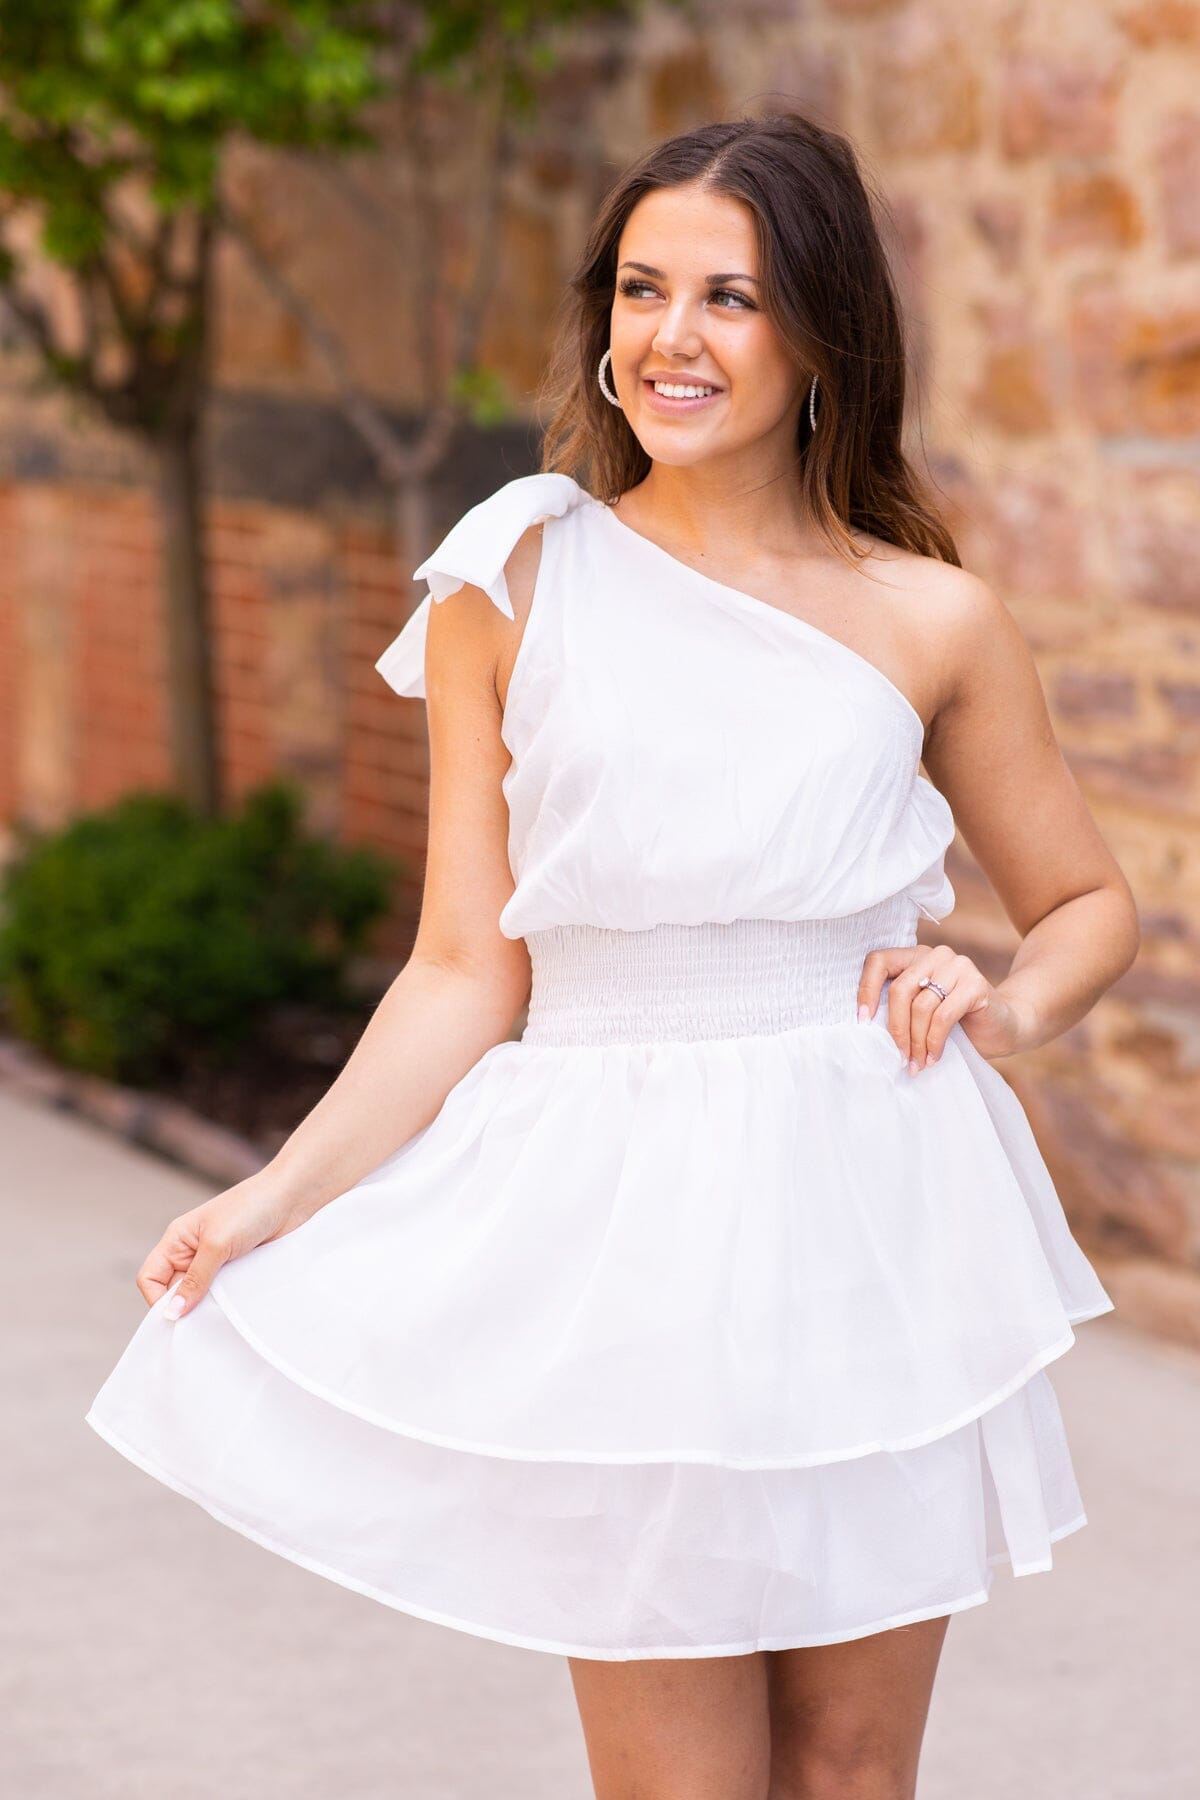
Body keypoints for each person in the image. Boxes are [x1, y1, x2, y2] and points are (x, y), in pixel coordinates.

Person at [86, 112, 1138, 1799]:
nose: (671, 336)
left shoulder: (932, 615)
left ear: (822, 335)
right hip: (623, 1234)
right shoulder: (514, 578)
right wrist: (270, 1198)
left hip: (872, 1202)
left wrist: (1001, 1001)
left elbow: (1091, 906)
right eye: (642, 289)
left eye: (729, 296)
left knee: (853, 1781)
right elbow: (461, 968)